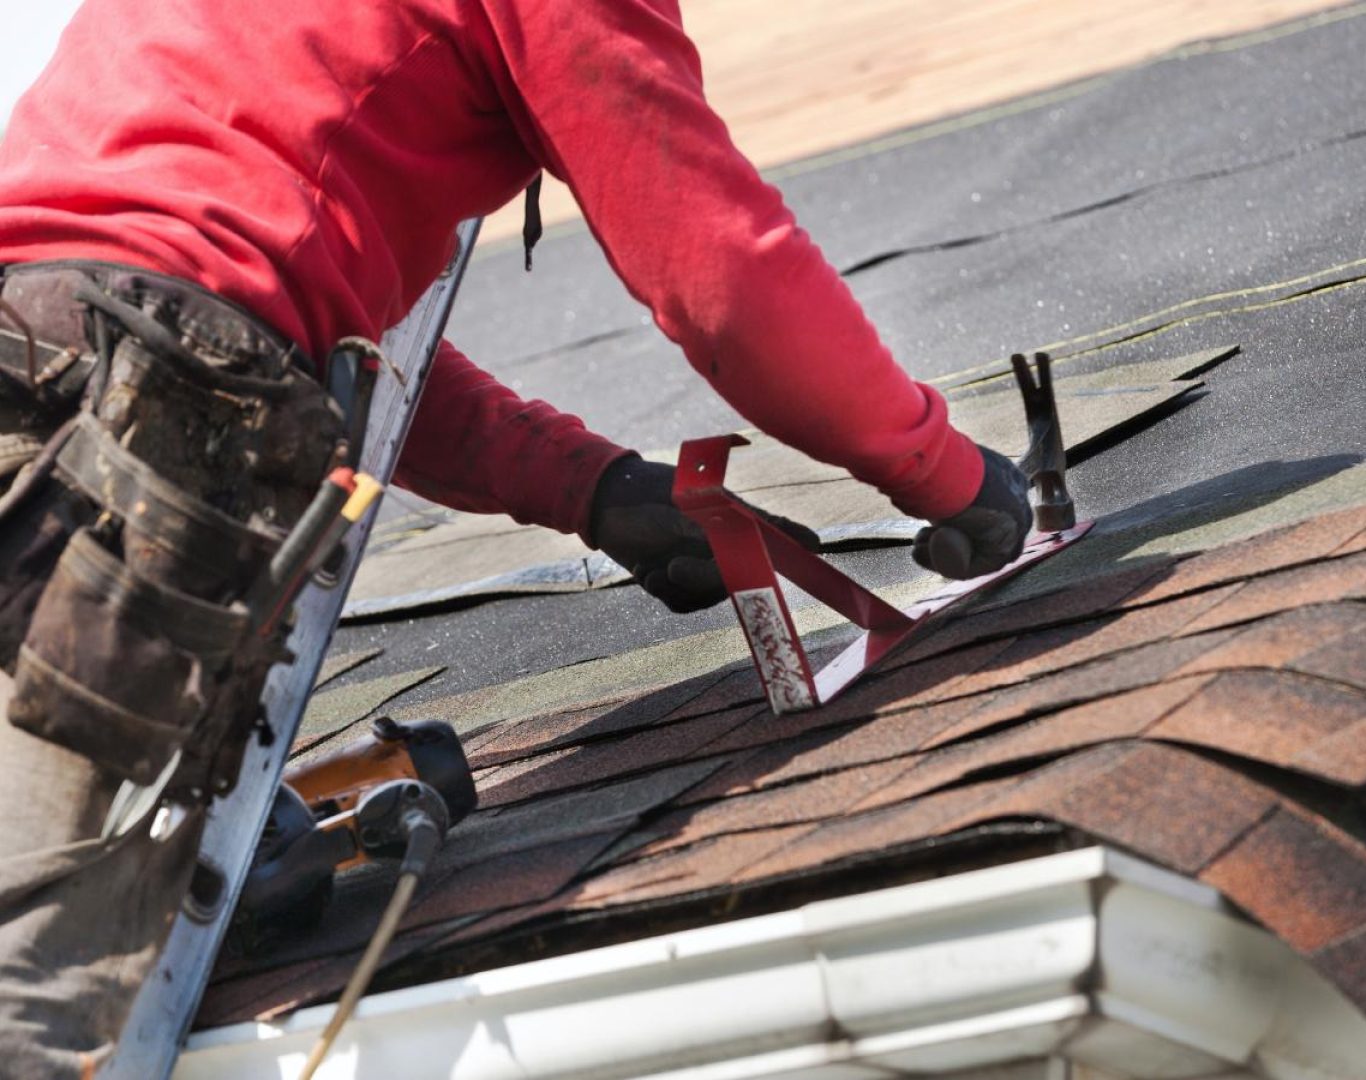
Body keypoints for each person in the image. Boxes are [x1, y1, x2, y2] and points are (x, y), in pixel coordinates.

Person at [0, 0, 1032, 1073]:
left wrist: (590, 487)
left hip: (43, 364)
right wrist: (936, 470)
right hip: (141, 427)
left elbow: (316, 333)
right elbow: (720, 271)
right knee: (36, 983)